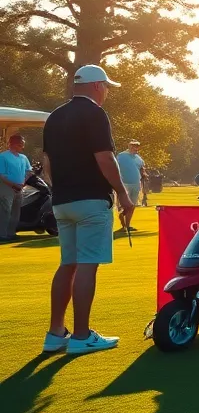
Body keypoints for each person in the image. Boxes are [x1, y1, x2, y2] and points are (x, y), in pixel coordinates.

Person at [40, 65, 135, 354]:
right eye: (105, 87)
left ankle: (56, 333)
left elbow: (47, 165)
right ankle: (81, 336)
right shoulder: (94, 113)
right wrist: (123, 194)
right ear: (96, 86)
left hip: (62, 201)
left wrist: (62, 190)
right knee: (86, 265)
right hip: (91, 200)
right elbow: (105, 158)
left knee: (67, 264)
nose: (106, 92)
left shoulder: (55, 116)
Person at [0, 133, 34, 241]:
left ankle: (11, 233)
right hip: (6, 188)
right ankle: (3, 234)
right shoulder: (3, 156)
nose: (22, 147)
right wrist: (14, 185)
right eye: (20, 145)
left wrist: (22, 183)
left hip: (19, 188)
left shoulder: (23, 158)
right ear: (13, 144)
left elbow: (29, 171)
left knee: (16, 211)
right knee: (5, 211)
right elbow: (2, 175)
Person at [116, 140, 148, 208]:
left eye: (137, 146)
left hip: (136, 184)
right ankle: (121, 216)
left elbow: (142, 168)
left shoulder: (138, 158)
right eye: (134, 146)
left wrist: (144, 174)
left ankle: (128, 218)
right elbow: (115, 167)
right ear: (130, 146)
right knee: (123, 205)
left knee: (133, 205)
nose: (136, 148)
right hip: (124, 183)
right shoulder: (121, 156)